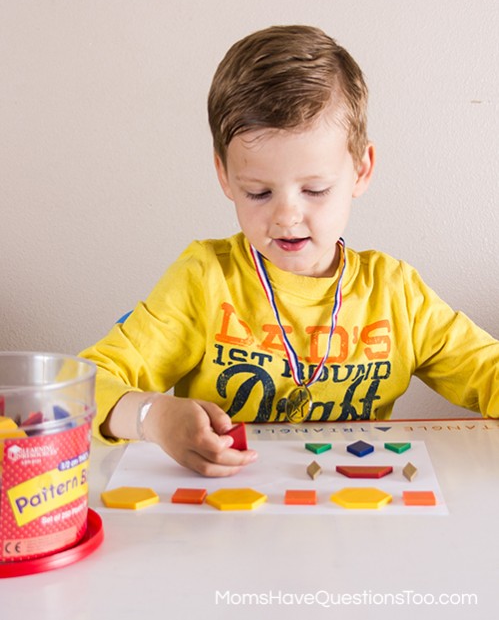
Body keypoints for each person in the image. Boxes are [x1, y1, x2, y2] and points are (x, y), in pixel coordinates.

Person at [80, 25, 499, 477]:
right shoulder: (205, 280)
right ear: (224, 176)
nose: (286, 216)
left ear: (361, 171)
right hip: (224, 516)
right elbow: (77, 389)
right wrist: (151, 417)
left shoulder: (395, 294)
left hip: (356, 511)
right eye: (259, 193)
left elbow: (487, 370)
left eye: (315, 190)